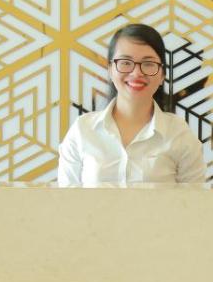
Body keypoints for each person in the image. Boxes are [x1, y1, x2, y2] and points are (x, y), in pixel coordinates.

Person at [57, 23, 205, 186]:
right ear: (110, 70)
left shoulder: (179, 134)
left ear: (162, 75)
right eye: (126, 62)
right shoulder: (82, 130)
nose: (136, 73)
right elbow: (65, 198)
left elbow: (195, 199)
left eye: (148, 64)